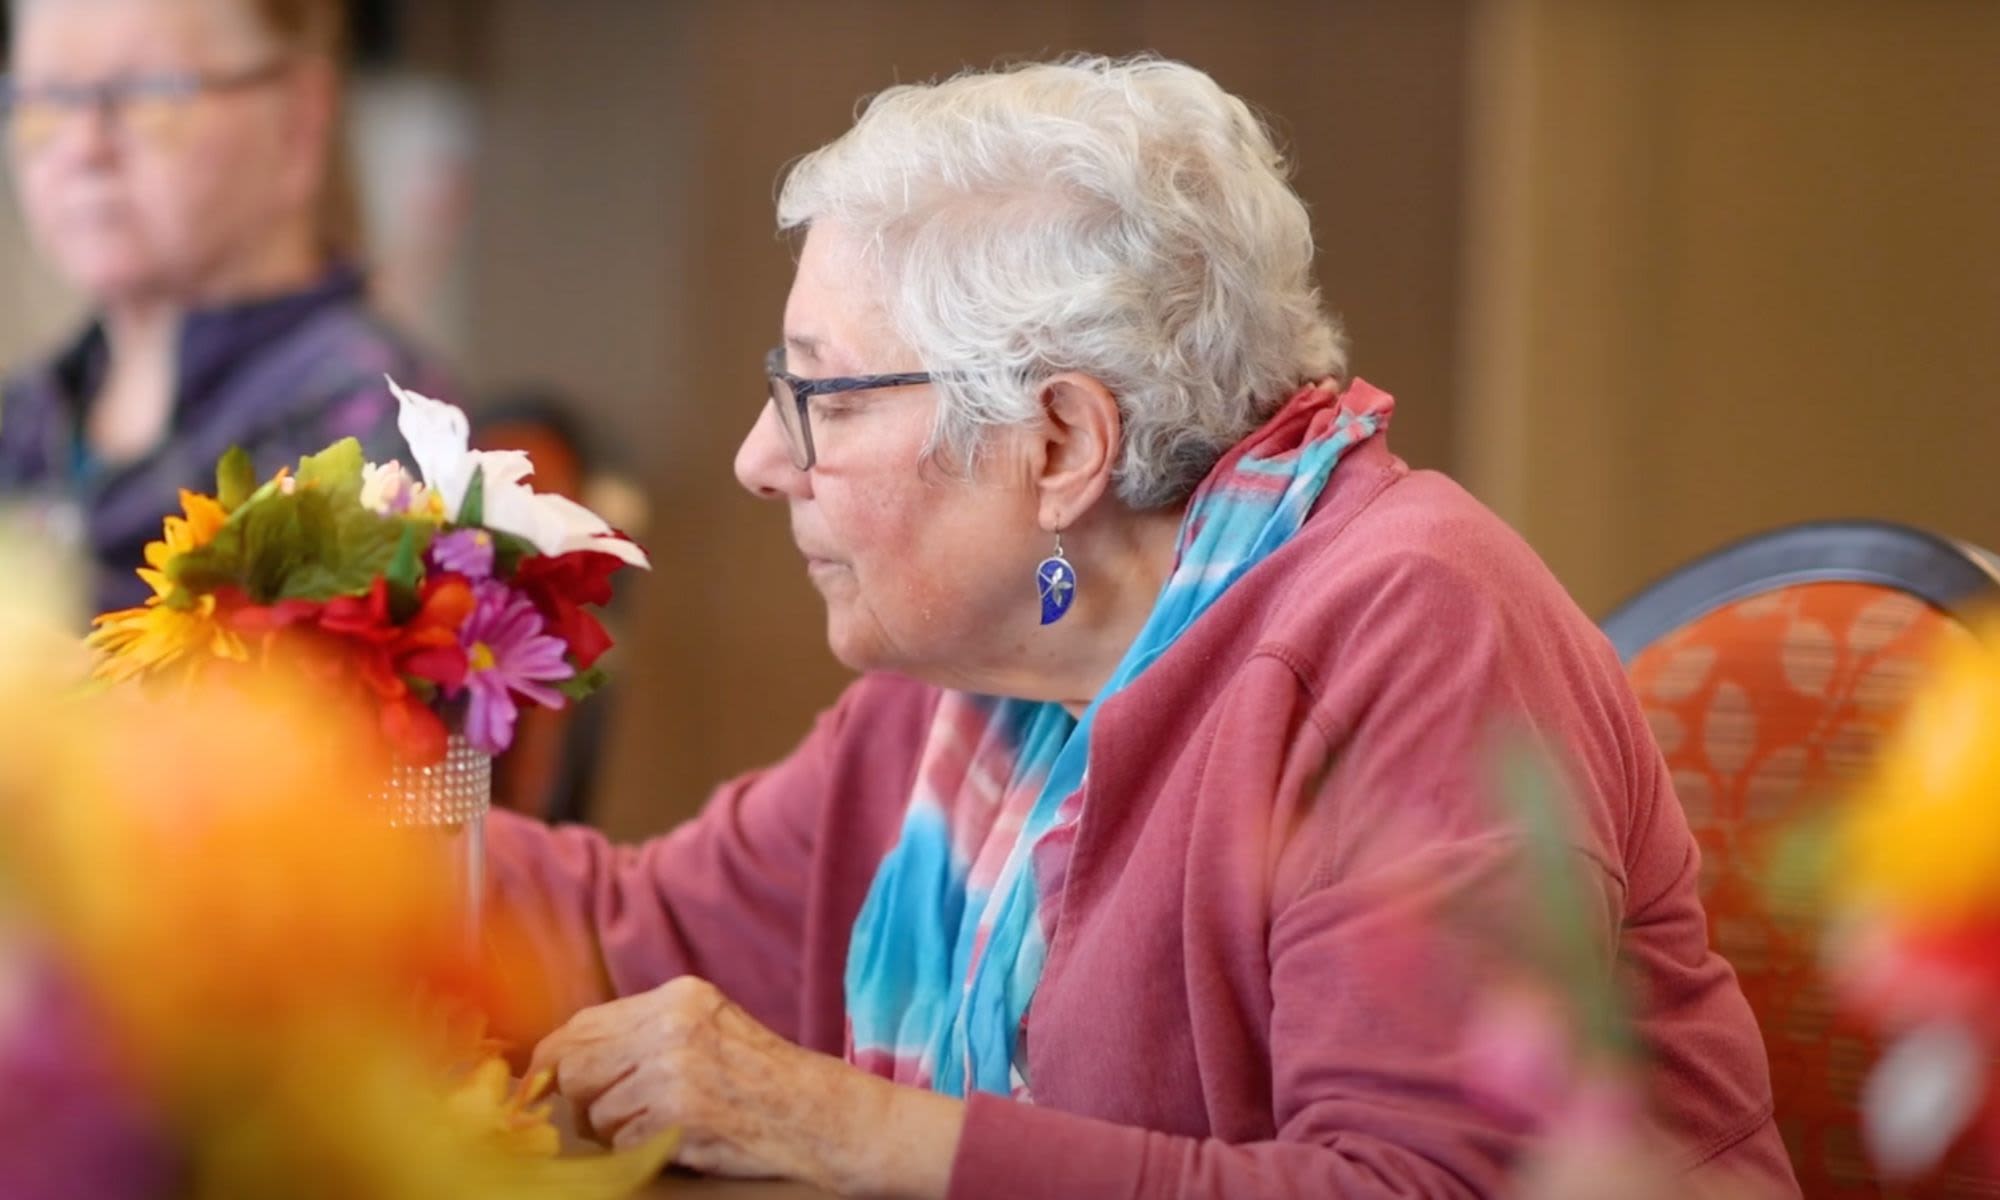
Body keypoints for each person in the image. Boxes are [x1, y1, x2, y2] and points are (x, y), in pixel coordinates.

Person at [488, 57, 1802, 1199]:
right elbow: (627, 937)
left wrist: (854, 1126)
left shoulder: (1416, 626)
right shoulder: (984, 680)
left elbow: (1422, 1185)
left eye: (820, 397)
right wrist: (315, 772)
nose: (758, 459)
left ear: (1060, 443)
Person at [0, 0, 454, 616]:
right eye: (45, 98)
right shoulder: (25, 416)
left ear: (299, 120)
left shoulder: (371, 425)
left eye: (149, 92)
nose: (83, 146)